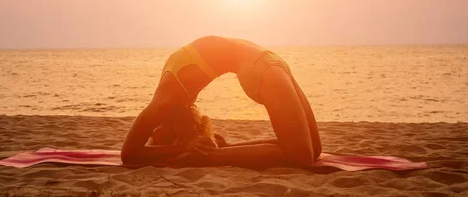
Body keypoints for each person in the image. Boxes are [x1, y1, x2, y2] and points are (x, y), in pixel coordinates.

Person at [121, 35, 322, 167]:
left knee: (307, 152)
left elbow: (128, 154)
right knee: (307, 153)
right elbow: (137, 151)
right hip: (266, 63)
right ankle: (211, 155)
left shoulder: (163, 102)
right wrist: (182, 146)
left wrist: (181, 149)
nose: (154, 134)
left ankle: (207, 156)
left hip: (265, 65)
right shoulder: (173, 88)